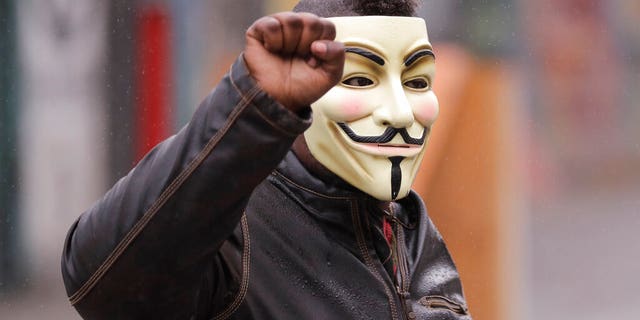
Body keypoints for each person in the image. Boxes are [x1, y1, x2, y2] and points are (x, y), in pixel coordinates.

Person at [61, 0, 471, 319]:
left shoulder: (413, 232)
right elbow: (101, 279)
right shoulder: (236, 234)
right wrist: (251, 106)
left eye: (417, 82)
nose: (400, 113)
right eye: (360, 79)